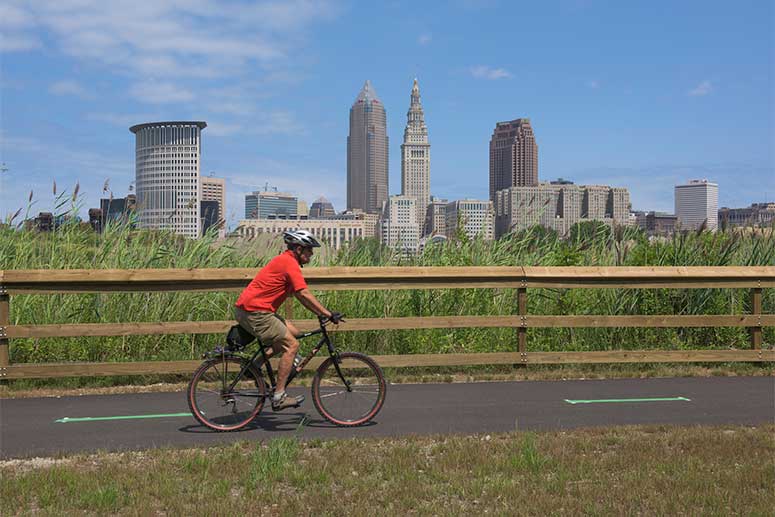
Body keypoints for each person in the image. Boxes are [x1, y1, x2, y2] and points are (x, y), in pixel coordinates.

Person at [234, 230, 342, 411]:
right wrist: (327, 313)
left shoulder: (285, 261)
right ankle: (279, 396)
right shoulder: (289, 263)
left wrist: (320, 312)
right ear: (298, 249)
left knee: (294, 333)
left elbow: (301, 297)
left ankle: (254, 365)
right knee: (292, 345)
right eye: (309, 250)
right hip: (256, 312)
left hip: (252, 309)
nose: (311, 254)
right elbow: (303, 293)